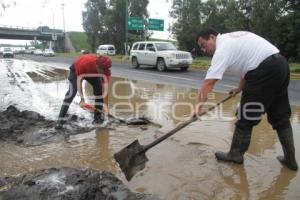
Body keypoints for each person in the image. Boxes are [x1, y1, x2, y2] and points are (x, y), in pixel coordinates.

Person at [195, 28, 298, 171]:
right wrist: (239, 88)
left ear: (212, 37)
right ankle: (290, 160)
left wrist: (198, 108)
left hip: (264, 70)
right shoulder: (233, 39)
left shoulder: (222, 48)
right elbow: (248, 68)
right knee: (281, 116)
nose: (204, 50)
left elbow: (209, 82)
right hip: (280, 64)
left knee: (245, 116)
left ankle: (235, 154)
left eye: (204, 45)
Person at [55, 53, 111, 129]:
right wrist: (82, 99)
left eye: (105, 70)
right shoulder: (85, 64)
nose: (103, 73)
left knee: (99, 91)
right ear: (97, 66)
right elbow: (79, 81)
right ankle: (60, 121)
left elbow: (106, 90)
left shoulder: (105, 71)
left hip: (93, 73)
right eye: (102, 70)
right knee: (71, 93)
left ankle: (97, 119)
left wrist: (106, 107)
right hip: (76, 71)